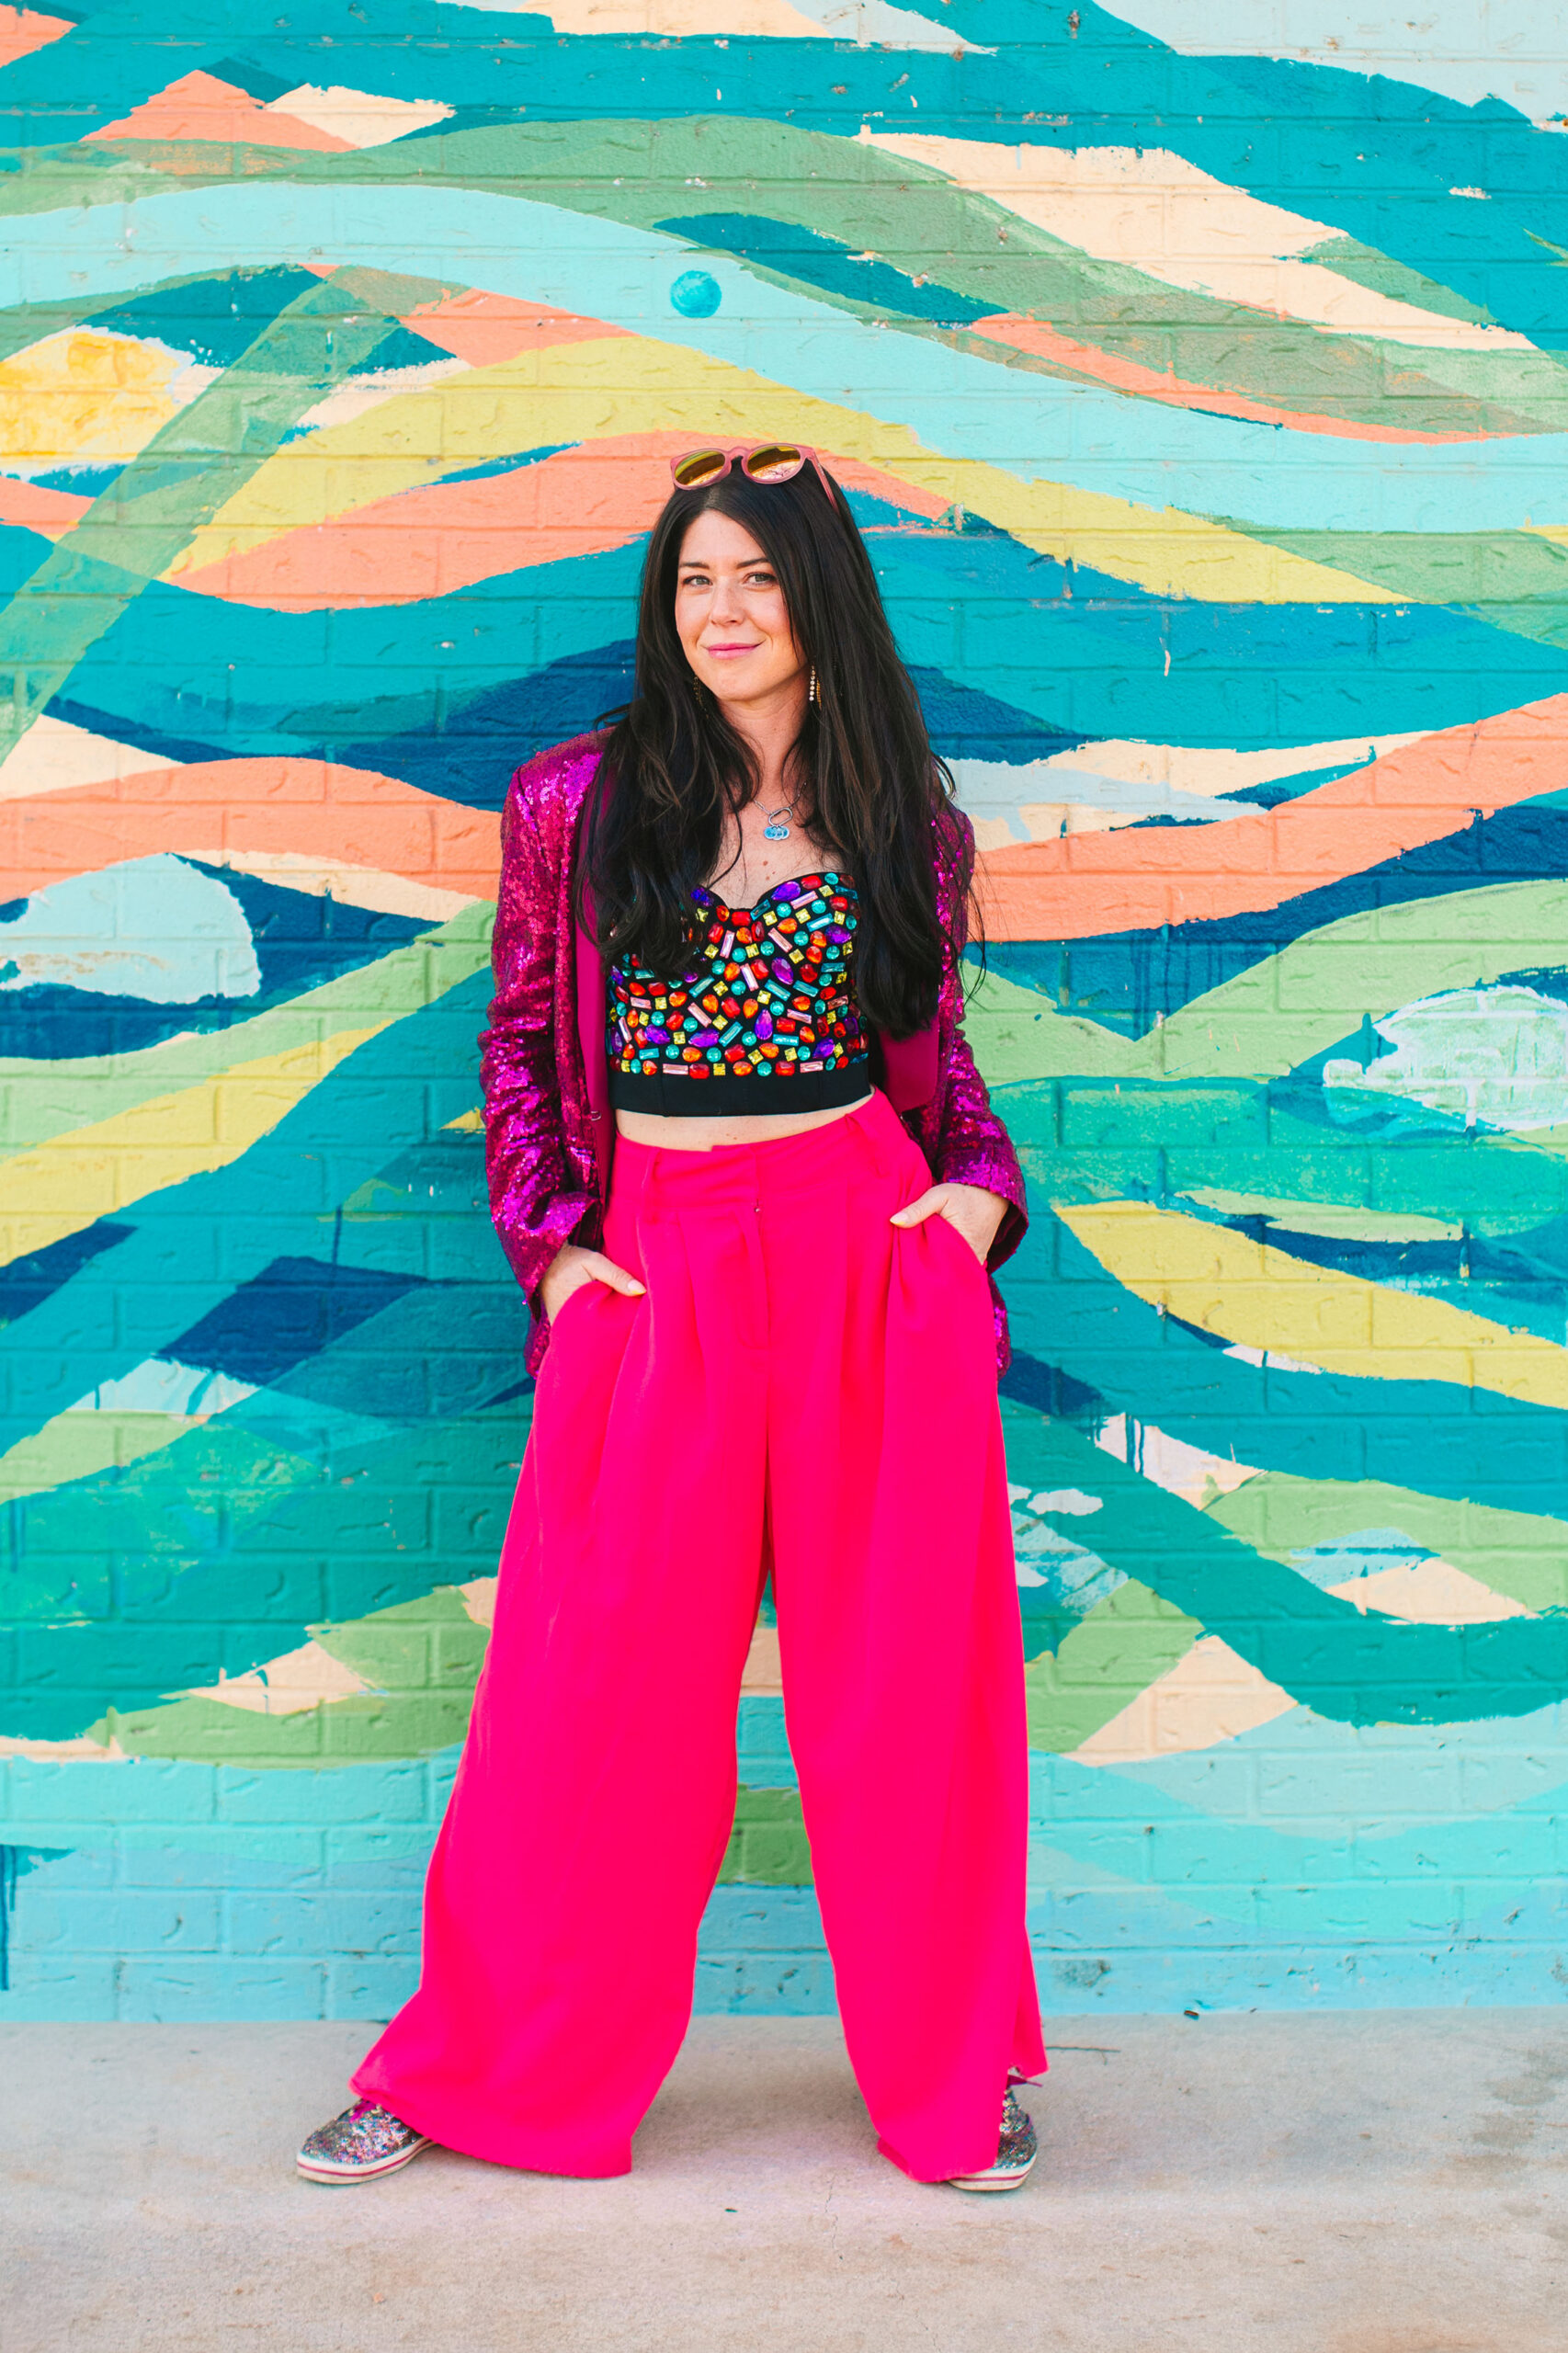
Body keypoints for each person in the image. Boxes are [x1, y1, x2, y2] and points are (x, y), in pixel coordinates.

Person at [296, 440, 1046, 2192]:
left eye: (755, 579)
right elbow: (516, 1039)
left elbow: (942, 1078)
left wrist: (970, 1211)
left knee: (915, 1703)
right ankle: (473, 2072)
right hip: (656, 1271)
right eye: (694, 579)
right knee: (586, 1701)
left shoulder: (902, 821)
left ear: (817, 599)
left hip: (868, 1251)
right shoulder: (578, 801)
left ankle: (958, 2077)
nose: (720, 612)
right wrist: (553, 1247)